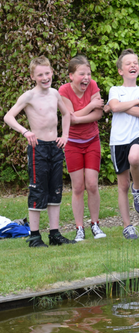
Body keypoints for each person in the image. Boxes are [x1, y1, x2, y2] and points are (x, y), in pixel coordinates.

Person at [3, 56, 75, 247]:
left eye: (47, 73)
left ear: (52, 72)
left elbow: (66, 113)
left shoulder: (54, 94)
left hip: (56, 147)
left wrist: (65, 136)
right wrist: (25, 131)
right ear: (33, 76)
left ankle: (54, 234)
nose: (45, 77)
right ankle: (34, 236)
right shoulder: (29, 96)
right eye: (40, 74)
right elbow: (8, 116)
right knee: (37, 190)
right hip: (38, 148)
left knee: (55, 191)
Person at [59, 55, 106, 241]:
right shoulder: (63, 90)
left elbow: (99, 114)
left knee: (92, 184)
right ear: (71, 75)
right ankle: (80, 228)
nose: (86, 77)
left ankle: (95, 225)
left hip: (92, 141)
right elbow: (69, 118)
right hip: (72, 144)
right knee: (78, 187)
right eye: (81, 74)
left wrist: (78, 117)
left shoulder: (93, 86)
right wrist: (90, 106)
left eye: (89, 73)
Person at [106, 49, 139, 240]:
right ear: (120, 70)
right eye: (128, 63)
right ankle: (127, 226)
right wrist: (133, 103)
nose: (133, 65)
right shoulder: (115, 90)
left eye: (136, 62)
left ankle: (138, 188)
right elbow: (114, 107)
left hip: (137, 134)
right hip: (118, 140)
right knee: (122, 185)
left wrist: (120, 107)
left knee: (134, 157)